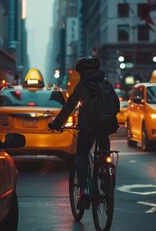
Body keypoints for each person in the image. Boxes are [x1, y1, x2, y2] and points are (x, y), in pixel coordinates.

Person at [48, 56, 119, 209]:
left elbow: (68, 108)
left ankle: (84, 190)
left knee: (81, 154)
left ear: (83, 72)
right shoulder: (107, 84)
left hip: (88, 128)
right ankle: (107, 174)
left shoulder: (81, 86)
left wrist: (56, 124)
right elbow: (116, 105)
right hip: (106, 125)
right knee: (104, 153)